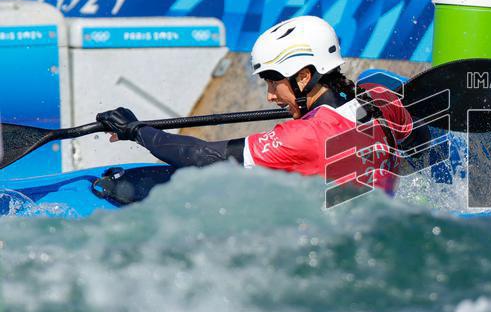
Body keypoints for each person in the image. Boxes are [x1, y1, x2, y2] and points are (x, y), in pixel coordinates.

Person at [97, 15, 412, 194]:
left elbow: (201, 156)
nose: (270, 96)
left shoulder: (305, 136)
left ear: (303, 77)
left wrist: (137, 131)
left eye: (274, 82)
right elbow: (418, 140)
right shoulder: (379, 99)